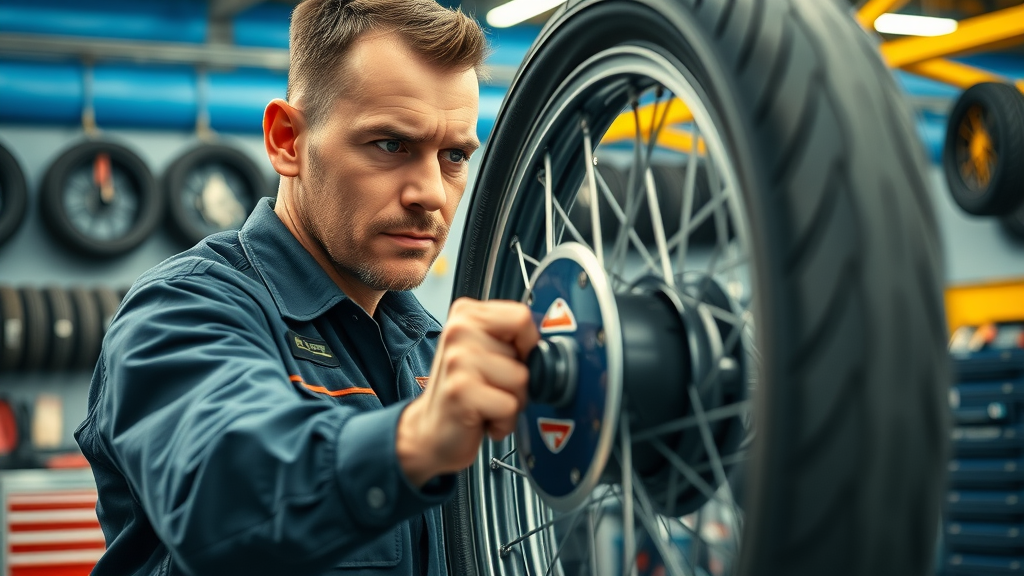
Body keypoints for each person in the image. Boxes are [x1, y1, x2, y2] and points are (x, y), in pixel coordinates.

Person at [74, 1, 540, 574]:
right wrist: (418, 440)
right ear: (287, 140)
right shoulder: (181, 310)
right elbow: (222, 503)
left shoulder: (427, 347)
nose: (432, 194)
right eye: (390, 145)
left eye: (453, 156)